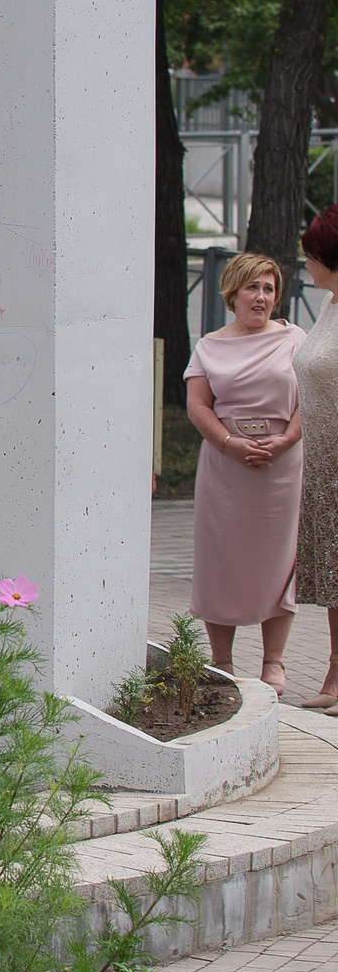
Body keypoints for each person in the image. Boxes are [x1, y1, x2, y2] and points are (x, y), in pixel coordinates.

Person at [185, 249, 305, 689]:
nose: (261, 297)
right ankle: (222, 660)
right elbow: (198, 406)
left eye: (269, 289)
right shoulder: (209, 346)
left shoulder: (294, 339)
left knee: (279, 560)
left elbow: (312, 398)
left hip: (281, 465)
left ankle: (274, 660)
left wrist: (287, 439)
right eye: (252, 287)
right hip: (226, 464)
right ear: (232, 293)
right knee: (220, 559)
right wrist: (230, 444)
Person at [292, 206, 338, 708]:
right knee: (333, 576)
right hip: (324, 466)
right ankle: (335, 673)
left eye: (311, 254)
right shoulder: (328, 304)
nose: (306, 263)